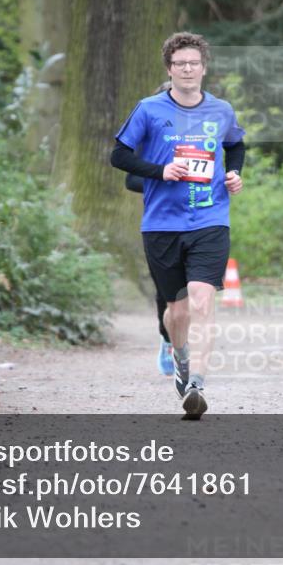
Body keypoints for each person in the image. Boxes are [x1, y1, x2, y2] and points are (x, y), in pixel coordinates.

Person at [111, 32, 245, 419]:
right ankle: (179, 352)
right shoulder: (149, 109)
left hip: (210, 218)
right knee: (177, 311)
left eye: (194, 63)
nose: (187, 69)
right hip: (162, 224)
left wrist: (234, 173)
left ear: (204, 68)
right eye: (180, 64)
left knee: (203, 298)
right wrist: (161, 171)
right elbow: (118, 156)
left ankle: (197, 384)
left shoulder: (221, 110)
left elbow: (235, 145)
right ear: (169, 69)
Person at [125, 82, 175, 377]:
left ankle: (187, 340)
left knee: (197, 286)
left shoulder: (201, 134)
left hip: (199, 220)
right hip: (161, 221)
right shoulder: (148, 136)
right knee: (165, 289)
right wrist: (164, 177)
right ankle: (168, 339)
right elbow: (130, 180)